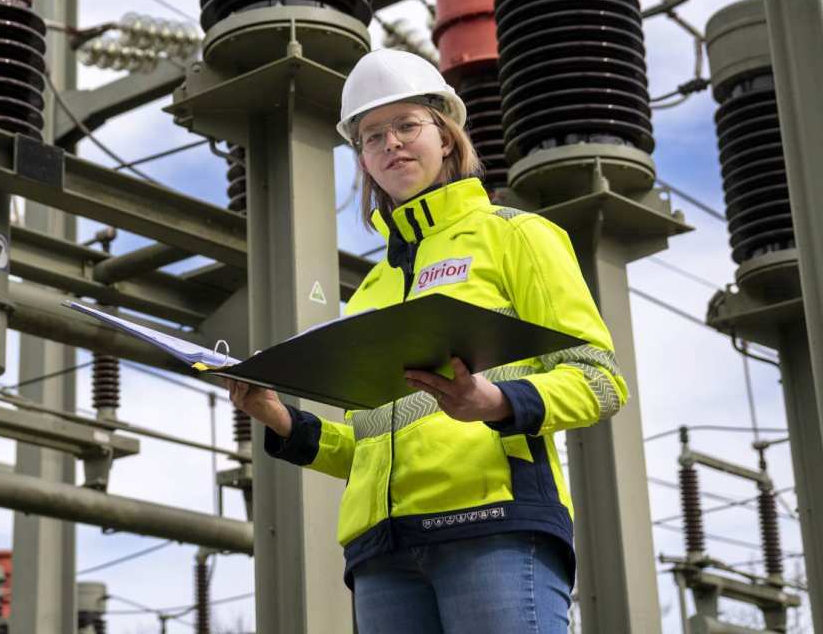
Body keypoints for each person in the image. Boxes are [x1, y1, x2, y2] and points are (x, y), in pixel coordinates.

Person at [227, 49, 628, 634]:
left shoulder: (516, 237)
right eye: (371, 136)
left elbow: (601, 381)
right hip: (382, 554)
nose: (390, 143)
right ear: (362, 160)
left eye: (406, 125)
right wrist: (278, 417)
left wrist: (496, 404)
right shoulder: (371, 288)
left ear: (446, 136)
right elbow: (372, 442)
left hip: (491, 526)